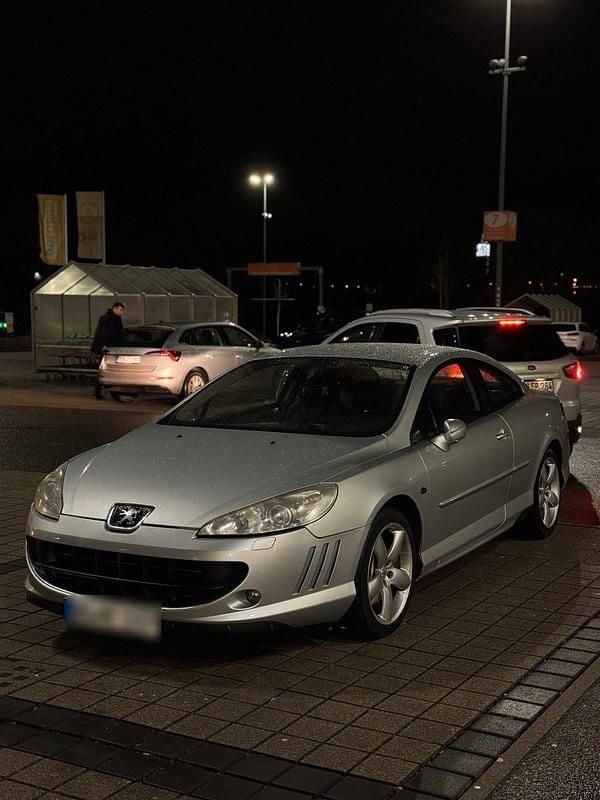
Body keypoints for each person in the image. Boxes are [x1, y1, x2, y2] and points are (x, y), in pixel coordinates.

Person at [91, 301, 125, 399]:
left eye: (122, 310)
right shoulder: (111, 319)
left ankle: (99, 390)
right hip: (107, 348)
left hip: (106, 347)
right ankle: (98, 390)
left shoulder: (109, 318)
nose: (122, 312)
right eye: (120, 310)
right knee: (104, 368)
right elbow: (107, 334)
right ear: (114, 309)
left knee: (103, 368)